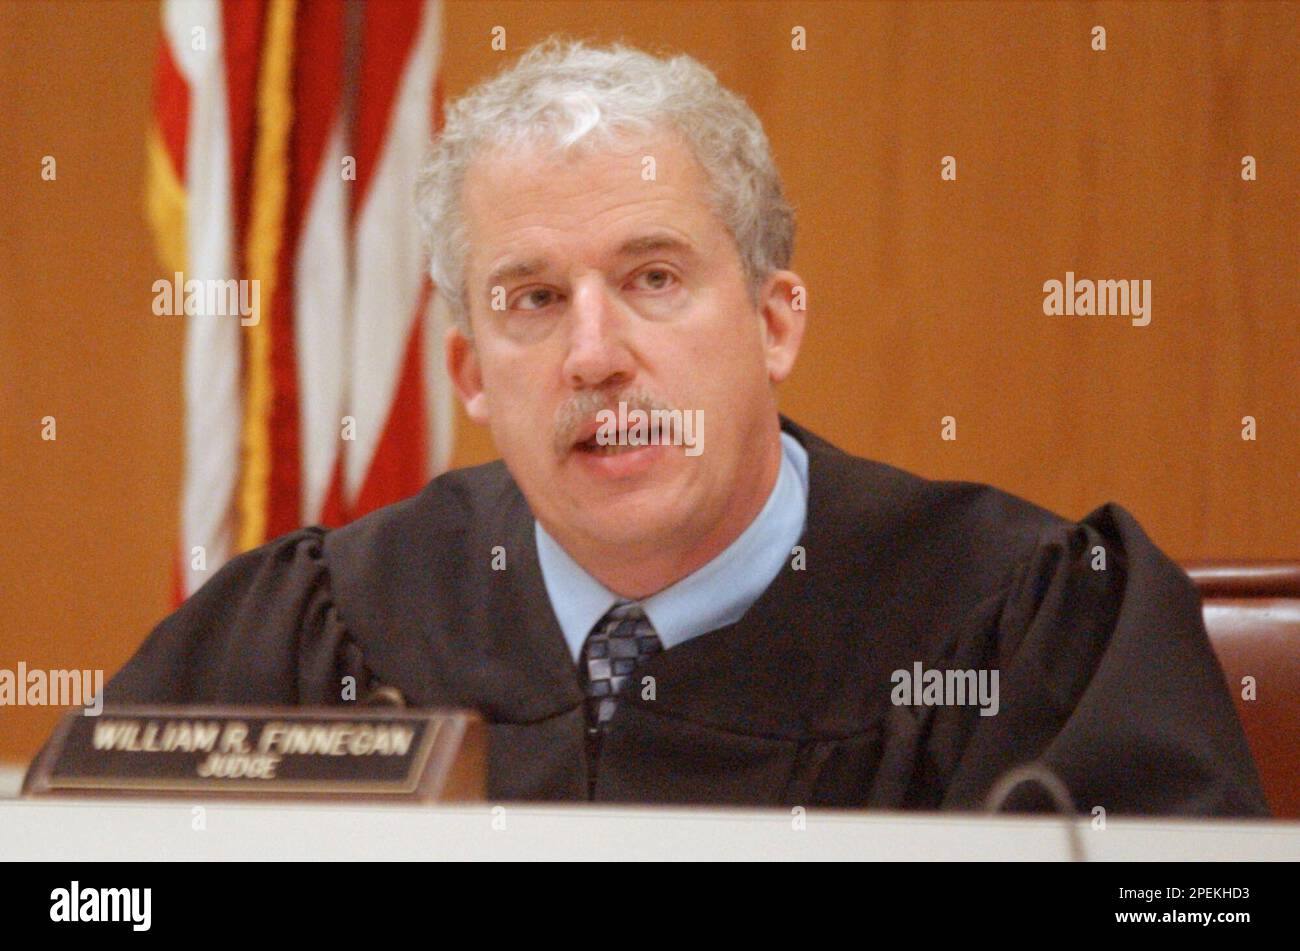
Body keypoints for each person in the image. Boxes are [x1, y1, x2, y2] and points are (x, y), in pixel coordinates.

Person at [99, 39, 1268, 814]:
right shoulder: (316, 635)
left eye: (653, 278)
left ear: (773, 321)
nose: (595, 354)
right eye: (534, 300)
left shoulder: (1022, 629)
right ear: (469, 373)